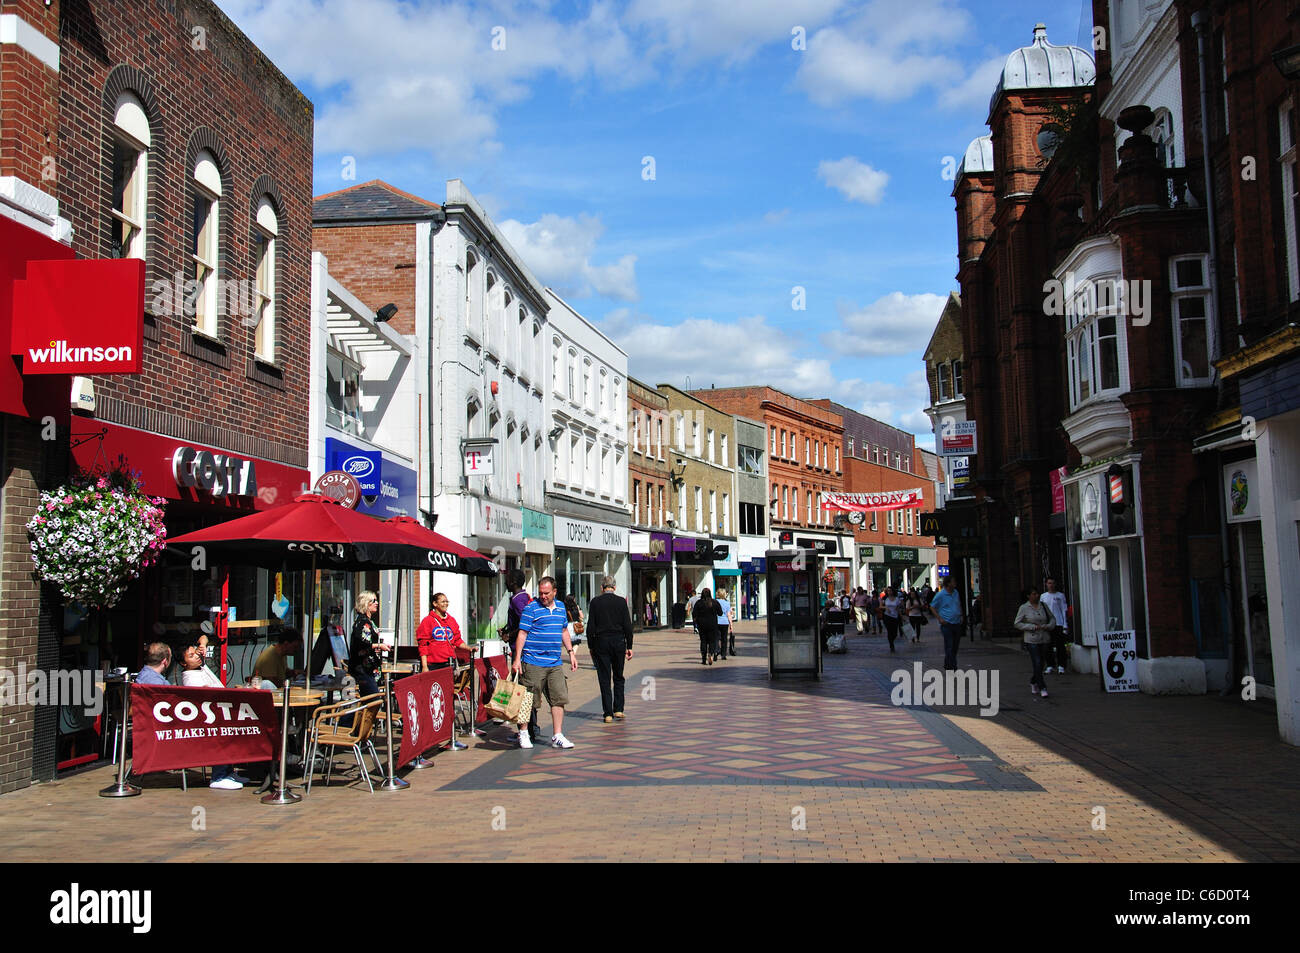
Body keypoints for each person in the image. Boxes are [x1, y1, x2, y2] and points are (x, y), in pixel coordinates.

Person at [512, 576, 577, 749]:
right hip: (533, 661)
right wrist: (517, 658)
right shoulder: (530, 609)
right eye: (541, 593)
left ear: (555, 592)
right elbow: (522, 634)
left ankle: (557, 735)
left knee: (558, 698)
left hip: (554, 662)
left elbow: (564, 631)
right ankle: (524, 733)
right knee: (528, 699)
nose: (543, 596)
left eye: (547, 593)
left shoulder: (561, 608)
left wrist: (571, 652)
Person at [178, 643, 249, 789]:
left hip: (220, 713)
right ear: (183, 663)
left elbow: (203, 637)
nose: (197, 656)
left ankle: (228, 771)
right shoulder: (190, 678)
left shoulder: (200, 666)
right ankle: (218, 776)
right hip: (208, 722)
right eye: (191, 656)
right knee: (225, 731)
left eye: (196, 653)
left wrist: (202, 645)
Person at [587, 576, 634, 723]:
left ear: (602, 587)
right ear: (614, 587)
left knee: (604, 678)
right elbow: (628, 625)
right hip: (618, 642)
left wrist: (591, 645)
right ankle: (619, 709)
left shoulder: (595, 602)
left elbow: (590, 627)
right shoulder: (621, 602)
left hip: (601, 642)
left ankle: (607, 713)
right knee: (619, 676)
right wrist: (630, 646)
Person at [348, 591, 388, 698]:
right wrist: (378, 646)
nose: (377, 603)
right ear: (366, 603)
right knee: (373, 700)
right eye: (373, 601)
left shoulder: (369, 621)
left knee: (369, 701)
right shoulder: (362, 622)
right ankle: (347, 715)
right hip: (363, 669)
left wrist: (378, 647)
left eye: (377, 600)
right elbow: (360, 645)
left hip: (369, 668)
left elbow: (368, 643)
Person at [1016, 588, 1055, 697]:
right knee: (1037, 662)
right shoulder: (1024, 608)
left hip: (1044, 637)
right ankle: (1042, 687)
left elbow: (1052, 618)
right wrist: (1031, 627)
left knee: (1041, 663)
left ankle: (1033, 681)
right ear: (1028, 596)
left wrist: (1049, 626)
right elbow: (1017, 623)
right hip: (1031, 639)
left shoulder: (1043, 606)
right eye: (1034, 594)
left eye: (1037, 593)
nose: (1036, 596)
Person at [415, 592, 463, 671]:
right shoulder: (427, 621)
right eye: (443, 602)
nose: (446, 604)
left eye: (447, 601)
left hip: (450, 662)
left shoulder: (451, 620)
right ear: (435, 603)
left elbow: (457, 640)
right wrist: (424, 666)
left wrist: (469, 648)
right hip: (433, 665)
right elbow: (423, 645)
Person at [928, 576, 965, 671]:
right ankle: (953, 666)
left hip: (956, 622)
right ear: (948, 583)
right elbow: (932, 606)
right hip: (946, 624)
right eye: (953, 581)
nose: (955, 583)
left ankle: (947, 663)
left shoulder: (955, 592)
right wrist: (939, 619)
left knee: (955, 646)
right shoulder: (941, 595)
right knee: (949, 645)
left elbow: (958, 604)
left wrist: (961, 614)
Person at [1041, 577, 1070, 674]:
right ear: (1046, 584)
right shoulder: (1043, 596)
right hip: (1047, 624)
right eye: (1049, 583)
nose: (1051, 585)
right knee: (1047, 646)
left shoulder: (1060, 596)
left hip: (1058, 623)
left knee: (1060, 646)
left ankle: (1061, 665)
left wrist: (1065, 625)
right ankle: (1050, 665)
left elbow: (1063, 609)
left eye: (1053, 583)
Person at [692, 588, 720, 665]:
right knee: (712, 641)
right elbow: (720, 612)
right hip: (712, 624)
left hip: (702, 625)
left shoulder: (699, 603)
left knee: (703, 641)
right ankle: (710, 653)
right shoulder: (714, 602)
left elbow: (694, 613)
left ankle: (703, 658)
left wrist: (696, 621)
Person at [881, 587, 902, 652]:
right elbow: (880, 606)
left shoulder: (897, 599)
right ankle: (891, 644)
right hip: (887, 616)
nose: (889, 592)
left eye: (890, 591)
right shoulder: (885, 598)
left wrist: (901, 616)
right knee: (889, 631)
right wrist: (885, 607)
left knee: (895, 632)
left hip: (895, 617)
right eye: (888, 591)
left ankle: (892, 640)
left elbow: (898, 609)